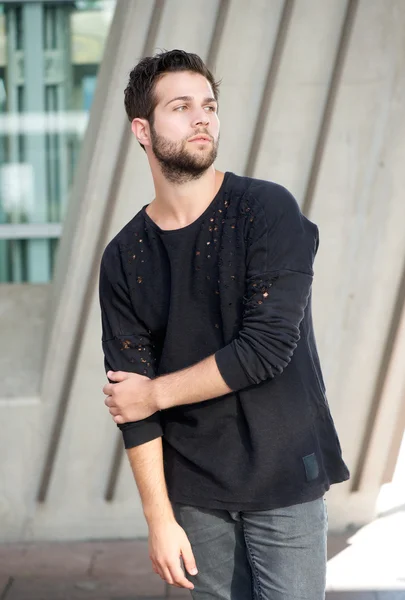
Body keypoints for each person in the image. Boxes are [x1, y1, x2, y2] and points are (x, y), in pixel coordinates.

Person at [99, 49, 350, 600]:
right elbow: (128, 401)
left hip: (286, 479)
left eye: (209, 106)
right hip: (195, 493)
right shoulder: (124, 257)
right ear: (142, 129)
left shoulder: (266, 210)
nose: (202, 118)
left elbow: (265, 349)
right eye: (181, 106)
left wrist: (155, 395)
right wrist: (159, 519)